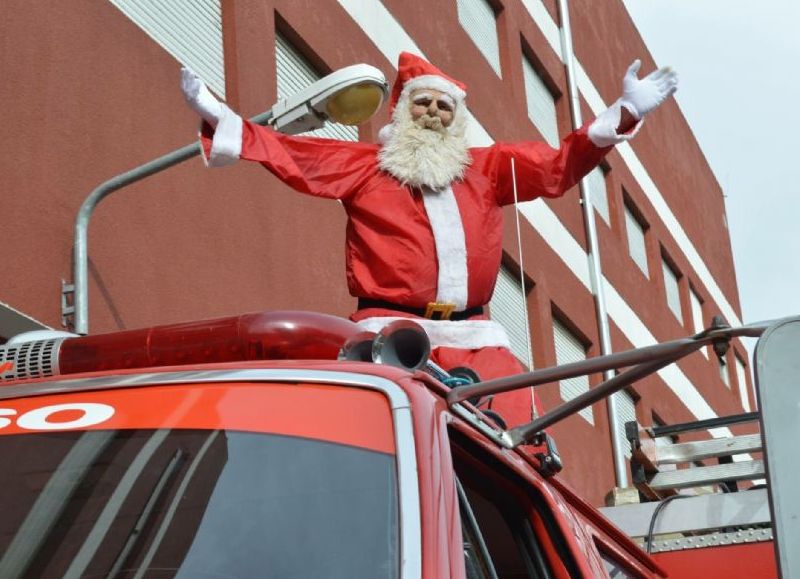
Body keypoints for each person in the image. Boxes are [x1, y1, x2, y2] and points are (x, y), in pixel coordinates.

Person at [181, 52, 677, 424]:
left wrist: (623, 112)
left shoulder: (487, 169)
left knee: (520, 418)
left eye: (444, 106)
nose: (434, 113)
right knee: (379, 422)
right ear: (402, 110)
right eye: (423, 103)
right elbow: (295, 157)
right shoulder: (366, 167)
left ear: (456, 119)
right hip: (390, 334)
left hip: (475, 338)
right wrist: (225, 121)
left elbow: (556, 166)